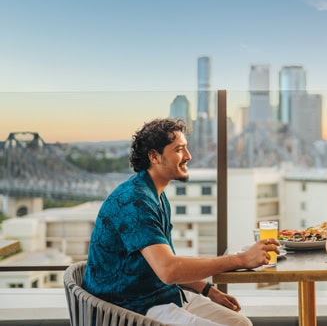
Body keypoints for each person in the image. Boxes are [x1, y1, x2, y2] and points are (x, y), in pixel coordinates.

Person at [82, 118, 279, 326]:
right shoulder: (134, 201)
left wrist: (207, 289)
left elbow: (164, 265)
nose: (188, 156)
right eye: (179, 149)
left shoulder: (156, 196)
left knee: (241, 324)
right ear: (154, 156)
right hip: (128, 309)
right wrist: (240, 260)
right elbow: (169, 270)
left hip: (161, 296)